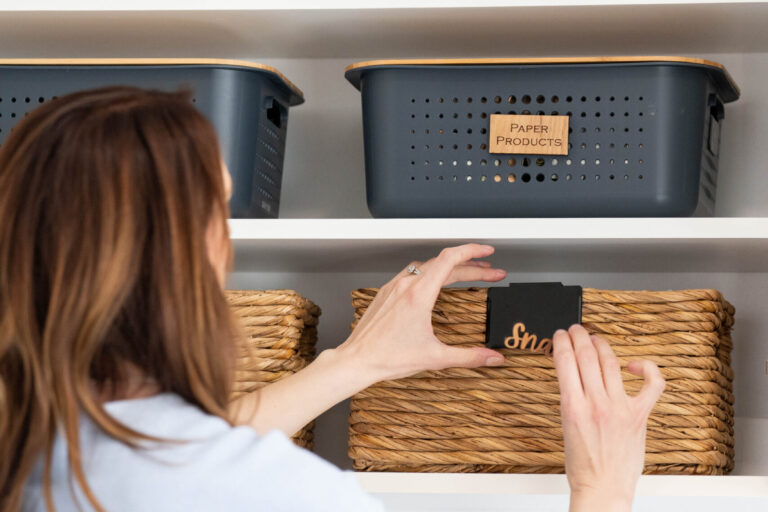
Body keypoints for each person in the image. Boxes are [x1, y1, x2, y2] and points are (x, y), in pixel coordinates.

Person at [0, 87, 665, 512]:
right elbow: (195, 468)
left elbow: (159, 452)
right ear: (181, 257)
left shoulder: (31, 453)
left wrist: (353, 364)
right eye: (220, 213)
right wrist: (602, 489)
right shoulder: (283, 496)